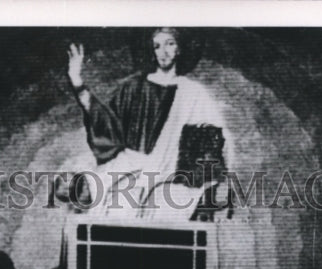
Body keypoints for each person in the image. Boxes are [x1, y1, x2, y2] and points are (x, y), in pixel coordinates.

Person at [66, 28, 228, 211]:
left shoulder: (193, 93)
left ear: (180, 49)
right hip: (130, 167)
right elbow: (104, 122)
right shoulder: (134, 87)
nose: (163, 52)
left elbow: (212, 142)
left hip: (170, 172)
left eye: (170, 44)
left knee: (172, 207)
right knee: (92, 196)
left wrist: (215, 179)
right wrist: (77, 82)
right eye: (157, 46)